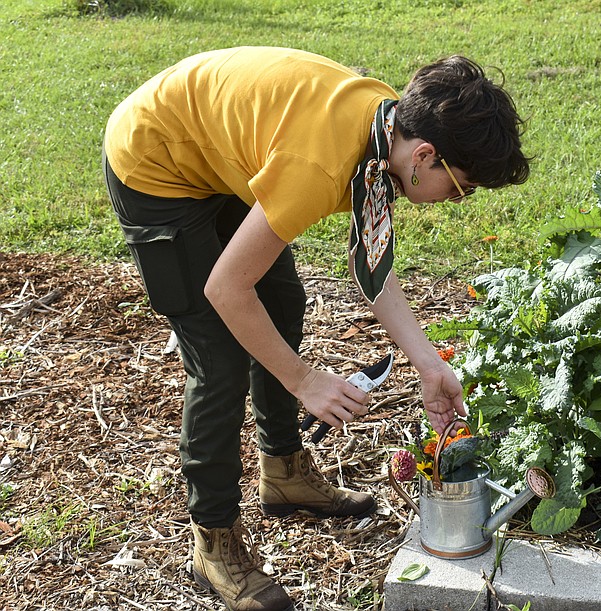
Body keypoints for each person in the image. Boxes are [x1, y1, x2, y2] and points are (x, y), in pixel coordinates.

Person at [102, 46, 530, 611]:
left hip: (216, 154)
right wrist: (304, 381)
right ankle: (213, 542)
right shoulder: (322, 165)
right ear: (425, 155)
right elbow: (224, 289)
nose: (453, 201)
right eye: (459, 187)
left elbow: (373, 267)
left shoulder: (384, 132)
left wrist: (429, 365)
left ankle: (282, 471)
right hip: (155, 157)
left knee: (282, 302)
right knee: (221, 356)